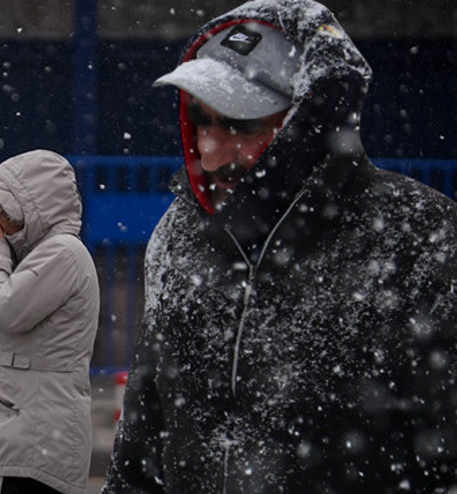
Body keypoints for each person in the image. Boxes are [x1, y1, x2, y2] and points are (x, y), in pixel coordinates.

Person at [103, 0, 457, 492]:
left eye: (241, 124)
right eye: (201, 120)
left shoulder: (416, 235)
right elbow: (142, 440)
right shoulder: (179, 233)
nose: (209, 152)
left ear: (307, 124)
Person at [0, 149, 100, 494]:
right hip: (31, 430)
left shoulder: (63, 252)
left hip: (41, 432)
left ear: (33, 209)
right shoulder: (37, 253)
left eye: (0, 210)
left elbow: (2, 312)